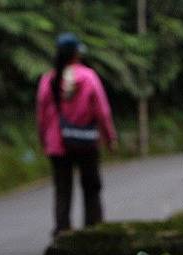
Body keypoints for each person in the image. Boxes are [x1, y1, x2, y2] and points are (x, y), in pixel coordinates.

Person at [36, 33, 117, 236]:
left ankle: (62, 231)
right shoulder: (89, 77)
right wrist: (109, 137)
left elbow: (41, 114)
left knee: (63, 189)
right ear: (76, 54)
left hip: (57, 142)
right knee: (91, 187)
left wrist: (43, 139)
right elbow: (102, 110)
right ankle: (93, 230)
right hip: (86, 141)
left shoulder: (49, 79)